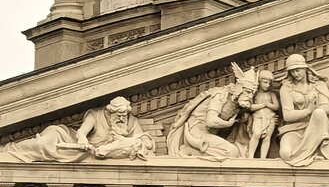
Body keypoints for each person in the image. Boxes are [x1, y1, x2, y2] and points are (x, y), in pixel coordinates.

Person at [2, 95, 156, 164]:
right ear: (110, 112)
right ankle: (9, 150)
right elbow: (82, 132)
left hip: (88, 153)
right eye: (118, 116)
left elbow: (143, 139)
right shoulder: (96, 115)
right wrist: (82, 140)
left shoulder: (132, 122)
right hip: (68, 140)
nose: (122, 119)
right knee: (41, 144)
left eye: (124, 115)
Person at [167, 67, 258, 161]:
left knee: (239, 151)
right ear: (239, 88)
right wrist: (228, 124)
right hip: (197, 131)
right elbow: (211, 121)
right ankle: (190, 151)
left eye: (252, 93)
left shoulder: (236, 103)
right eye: (248, 92)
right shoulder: (221, 95)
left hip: (210, 135)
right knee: (232, 152)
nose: (250, 96)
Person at [277, 54, 329, 165]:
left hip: (315, 128)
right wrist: (307, 111)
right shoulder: (286, 88)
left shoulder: (318, 85)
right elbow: (287, 115)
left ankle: (319, 151)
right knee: (286, 154)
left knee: (319, 113)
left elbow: (327, 107)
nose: (295, 74)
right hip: (294, 129)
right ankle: (312, 154)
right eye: (292, 71)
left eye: (298, 70)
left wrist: (316, 111)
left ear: (305, 68)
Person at [242, 72, 280, 163]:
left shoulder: (271, 94)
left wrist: (268, 104)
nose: (268, 85)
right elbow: (250, 107)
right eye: (265, 82)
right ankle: (250, 156)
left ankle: (263, 158)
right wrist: (263, 105)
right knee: (256, 134)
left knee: (267, 137)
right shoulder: (254, 94)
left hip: (270, 118)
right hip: (258, 117)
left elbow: (276, 106)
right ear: (259, 82)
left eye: (269, 83)